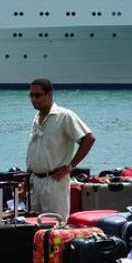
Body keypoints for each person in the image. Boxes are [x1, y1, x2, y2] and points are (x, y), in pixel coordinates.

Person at [25, 78, 95, 219]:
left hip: (54, 181)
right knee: (32, 224)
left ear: (49, 95)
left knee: (56, 224)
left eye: (37, 95)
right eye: (31, 95)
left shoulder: (64, 116)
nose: (33, 99)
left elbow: (89, 138)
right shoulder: (37, 117)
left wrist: (70, 167)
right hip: (34, 182)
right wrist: (26, 180)